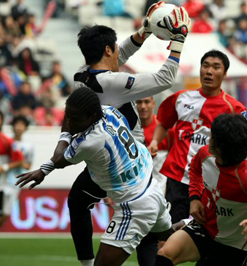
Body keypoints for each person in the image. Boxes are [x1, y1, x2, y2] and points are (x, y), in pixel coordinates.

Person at [68, 2, 190, 266]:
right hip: (130, 160)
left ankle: (87, 262)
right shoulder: (113, 83)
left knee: (78, 201)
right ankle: (188, 228)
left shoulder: (82, 75)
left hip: (110, 159)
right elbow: (164, 79)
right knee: (147, 224)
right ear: (106, 49)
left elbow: (118, 53)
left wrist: (144, 32)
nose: (119, 57)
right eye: (113, 50)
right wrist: (178, 40)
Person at [16, 88, 173, 266]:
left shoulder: (90, 142)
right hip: (149, 185)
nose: (70, 122)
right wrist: (44, 170)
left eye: (75, 119)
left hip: (134, 205)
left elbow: (60, 158)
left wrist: (65, 133)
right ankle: (192, 229)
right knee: (168, 235)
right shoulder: (110, 111)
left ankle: (87, 263)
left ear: (91, 117)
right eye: (68, 116)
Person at [154, 114, 247, 265]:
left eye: (213, 136)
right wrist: (195, 199)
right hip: (203, 229)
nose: (209, 138)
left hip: (231, 246)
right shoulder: (205, 154)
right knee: (165, 253)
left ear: (222, 146)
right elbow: (195, 170)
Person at [148, 50, 247, 225]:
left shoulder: (234, 109)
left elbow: (240, 147)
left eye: (216, 67)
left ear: (224, 74)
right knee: (171, 231)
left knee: (203, 236)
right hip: (177, 178)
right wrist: (155, 141)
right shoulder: (181, 98)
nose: (209, 71)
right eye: (206, 66)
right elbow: (164, 122)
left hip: (209, 183)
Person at [136, 96, 174, 194]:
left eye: (147, 102)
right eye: (139, 102)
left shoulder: (165, 130)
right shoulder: (128, 130)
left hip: (161, 190)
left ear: (153, 103)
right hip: (135, 190)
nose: (143, 106)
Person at [0, 111, 24, 227]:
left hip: (2, 184)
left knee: (5, 213)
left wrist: (4, 167)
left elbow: (20, 160)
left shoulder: (7, 141)